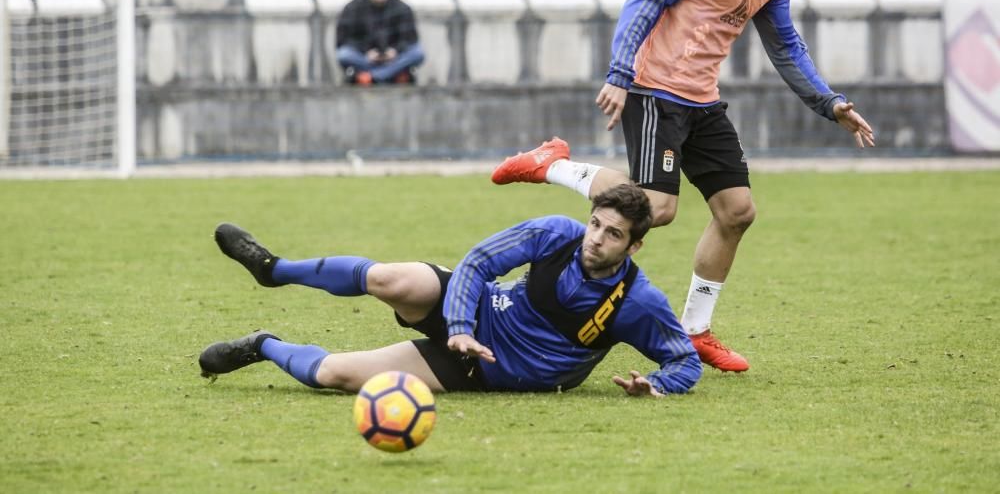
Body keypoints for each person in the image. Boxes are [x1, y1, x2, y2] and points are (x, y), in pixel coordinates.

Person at [490, 0, 875, 373]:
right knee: (657, 207)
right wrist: (621, 73)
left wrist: (830, 103)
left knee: (737, 211)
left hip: (701, 101)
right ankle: (550, 165)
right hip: (654, 92)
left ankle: (695, 332)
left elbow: (787, 48)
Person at [199, 184, 701, 397]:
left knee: (335, 374)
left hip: (489, 371)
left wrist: (655, 385)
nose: (596, 238)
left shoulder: (639, 302)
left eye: (613, 234)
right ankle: (275, 269)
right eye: (595, 224)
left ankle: (262, 345)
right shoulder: (555, 233)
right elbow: (479, 262)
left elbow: (685, 361)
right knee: (388, 279)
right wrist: (460, 325)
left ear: (633, 246)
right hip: (482, 313)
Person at [334, 0, 424, 85]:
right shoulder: (354, 8)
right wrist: (366, 52)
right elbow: (343, 40)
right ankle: (387, 76)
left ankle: (375, 77)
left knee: (418, 53)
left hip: (393, 59)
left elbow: (410, 39)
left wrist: (394, 51)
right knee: (344, 54)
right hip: (365, 58)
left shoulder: (402, 8)